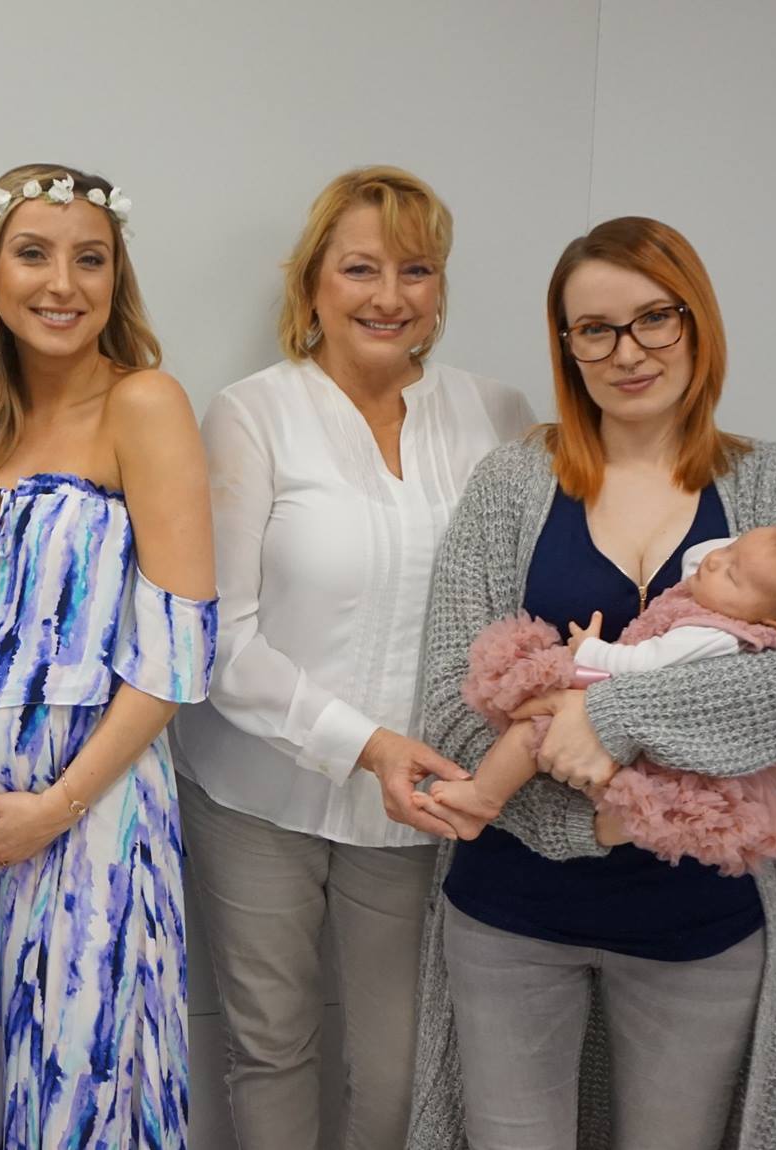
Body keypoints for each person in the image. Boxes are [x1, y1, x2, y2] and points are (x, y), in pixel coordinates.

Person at [404, 216, 776, 1150]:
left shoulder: (770, 483)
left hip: (698, 927)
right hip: (512, 916)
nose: (628, 352)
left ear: (698, 321)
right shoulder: (511, 484)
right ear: (567, 346)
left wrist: (609, 716)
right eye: (596, 329)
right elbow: (452, 704)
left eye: (655, 318)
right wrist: (591, 824)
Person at [168, 165, 531, 1150]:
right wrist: (367, 746)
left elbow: (518, 610)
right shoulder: (250, 412)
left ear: (441, 288)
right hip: (252, 787)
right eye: (361, 268)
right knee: (270, 1042)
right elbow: (220, 638)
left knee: (399, 1064)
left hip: (416, 806)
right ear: (312, 284)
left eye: (416, 270)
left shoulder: (499, 415)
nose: (389, 295)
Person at [0, 164, 217, 1150]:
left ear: (117, 279)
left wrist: (57, 806)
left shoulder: (143, 404)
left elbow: (176, 656)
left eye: (90, 260)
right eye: (33, 254)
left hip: (86, 820)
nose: (62, 283)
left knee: (77, 1081)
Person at [430, 524, 776, 857]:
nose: (713, 561)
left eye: (733, 574)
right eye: (729, 549)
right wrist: (737, 556)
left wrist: (590, 652)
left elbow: (643, 663)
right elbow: (701, 559)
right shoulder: (730, 598)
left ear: (768, 622)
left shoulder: (711, 633)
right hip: (627, 716)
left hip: (626, 702)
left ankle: (483, 798)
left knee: (531, 727)